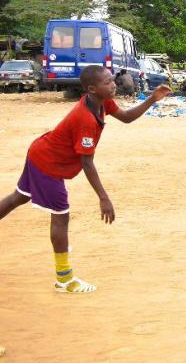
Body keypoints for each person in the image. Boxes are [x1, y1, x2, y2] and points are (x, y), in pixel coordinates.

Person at [0, 65, 172, 293]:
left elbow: (126, 117)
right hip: (48, 164)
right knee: (60, 217)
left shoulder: (102, 102)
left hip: (40, 152)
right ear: (91, 89)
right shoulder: (86, 119)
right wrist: (104, 197)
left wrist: (152, 98)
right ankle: (65, 280)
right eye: (107, 82)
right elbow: (87, 163)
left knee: (19, 197)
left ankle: (64, 279)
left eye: (112, 80)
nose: (113, 85)